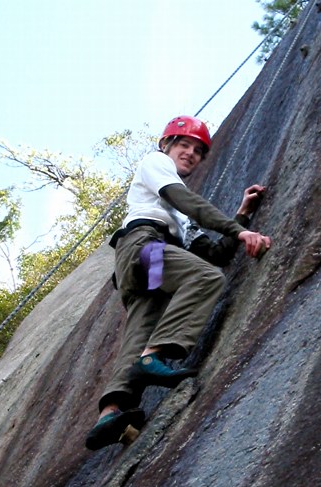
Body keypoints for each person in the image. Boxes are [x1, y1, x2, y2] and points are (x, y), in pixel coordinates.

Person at [86, 115, 271, 450]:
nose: (190, 153)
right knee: (203, 278)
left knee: (142, 329)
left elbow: (216, 253)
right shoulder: (155, 163)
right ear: (166, 145)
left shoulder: (180, 219)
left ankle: (112, 412)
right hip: (144, 245)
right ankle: (154, 356)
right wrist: (240, 230)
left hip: (148, 268)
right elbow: (185, 199)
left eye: (198, 151)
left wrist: (242, 214)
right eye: (184, 144)